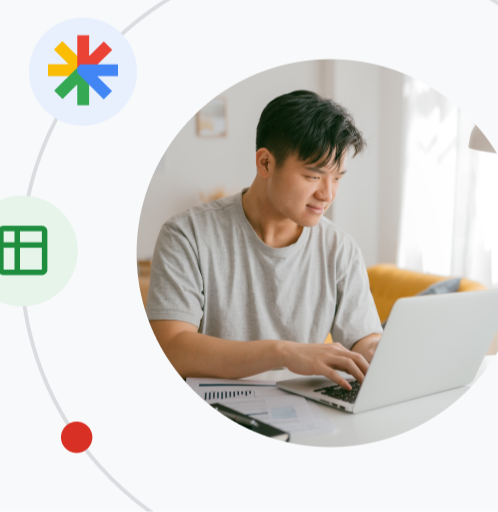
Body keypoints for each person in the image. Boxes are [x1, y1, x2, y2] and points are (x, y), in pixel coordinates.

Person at [146, 90, 382, 390]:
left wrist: (377, 350)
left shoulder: (340, 249)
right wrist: (283, 353)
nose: (327, 194)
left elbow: (363, 340)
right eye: (313, 176)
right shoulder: (186, 235)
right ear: (266, 163)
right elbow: (172, 349)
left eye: (337, 178)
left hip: (305, 412)